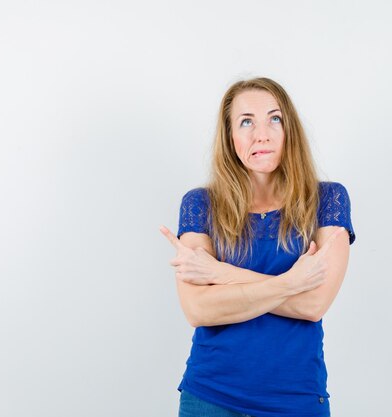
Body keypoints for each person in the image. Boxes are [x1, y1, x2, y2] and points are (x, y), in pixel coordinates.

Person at [160, 77, 356, 417]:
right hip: (210, 397)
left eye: (274, 119)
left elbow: (313, 304)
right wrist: (290, 283)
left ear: (289, 130)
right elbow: (199, 310)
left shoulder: (327, 200)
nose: (261, 134)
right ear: (230, 136)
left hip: (295, 399)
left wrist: (220, 273)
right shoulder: (200, 204)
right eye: (246, 121)